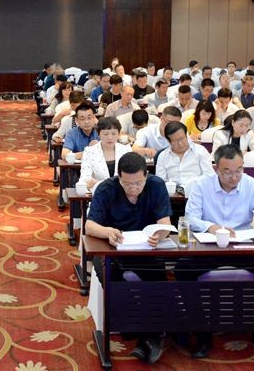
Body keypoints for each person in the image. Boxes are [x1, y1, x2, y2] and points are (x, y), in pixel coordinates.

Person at [179, 144, 254, 358]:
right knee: (183, 270)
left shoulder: (250, 184)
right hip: (209, 246)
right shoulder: (201, 185)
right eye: (228, 172)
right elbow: (191, 218)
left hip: (242, 245)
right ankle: (202, 332)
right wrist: (212, 227)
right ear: (216, 168)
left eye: (239, 170)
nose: (234, 177)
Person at [85, 152, 172, 364]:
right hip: (112, 249)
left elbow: (165, 224)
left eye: (138, 183)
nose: (133, 188)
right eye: (127, 184)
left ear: (146, 175)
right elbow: (89, 226)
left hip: (146, 249)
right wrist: (107, 231)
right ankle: (132, 324)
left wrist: (159, 234)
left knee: (157, 280)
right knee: (112, 279)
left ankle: (152, 334)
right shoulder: (106, 189)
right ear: (119, 178)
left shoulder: (156, 185)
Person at [77, 116, 132, 194]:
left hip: (123, 193)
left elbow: (130, 177)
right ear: (98, 134)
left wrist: (98, 183)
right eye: (105, 134)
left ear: (119, 134)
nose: (110, 137)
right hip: (99, 193)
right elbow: (85, 179)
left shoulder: (126, 150)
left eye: (114, 134)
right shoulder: (89, 151)